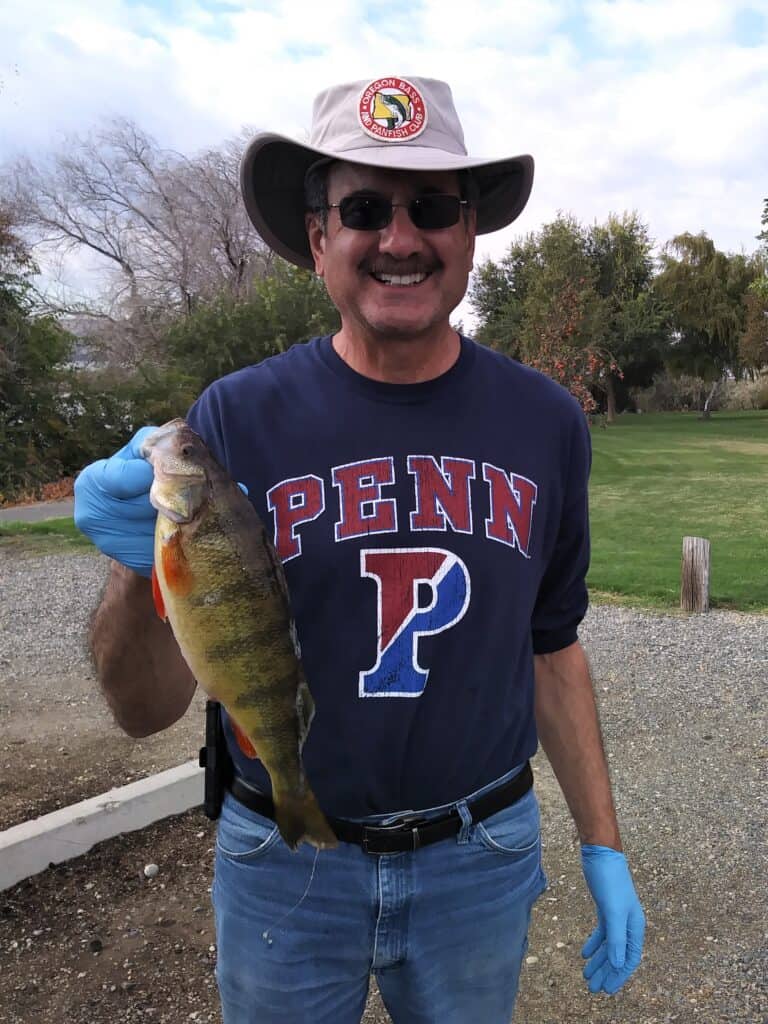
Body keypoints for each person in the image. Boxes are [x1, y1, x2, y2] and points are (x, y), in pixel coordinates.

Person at [74, 76, 645, 1023]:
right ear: (316, 239)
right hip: (278, 863)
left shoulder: (546, 422)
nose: (400, 237)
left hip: (481, 856)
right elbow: (145, 714)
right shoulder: (234, 418)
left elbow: (552, 645)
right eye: (365, 208)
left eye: (432, 207)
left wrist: (604, 845)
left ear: (468, 233)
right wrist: (141, 573)